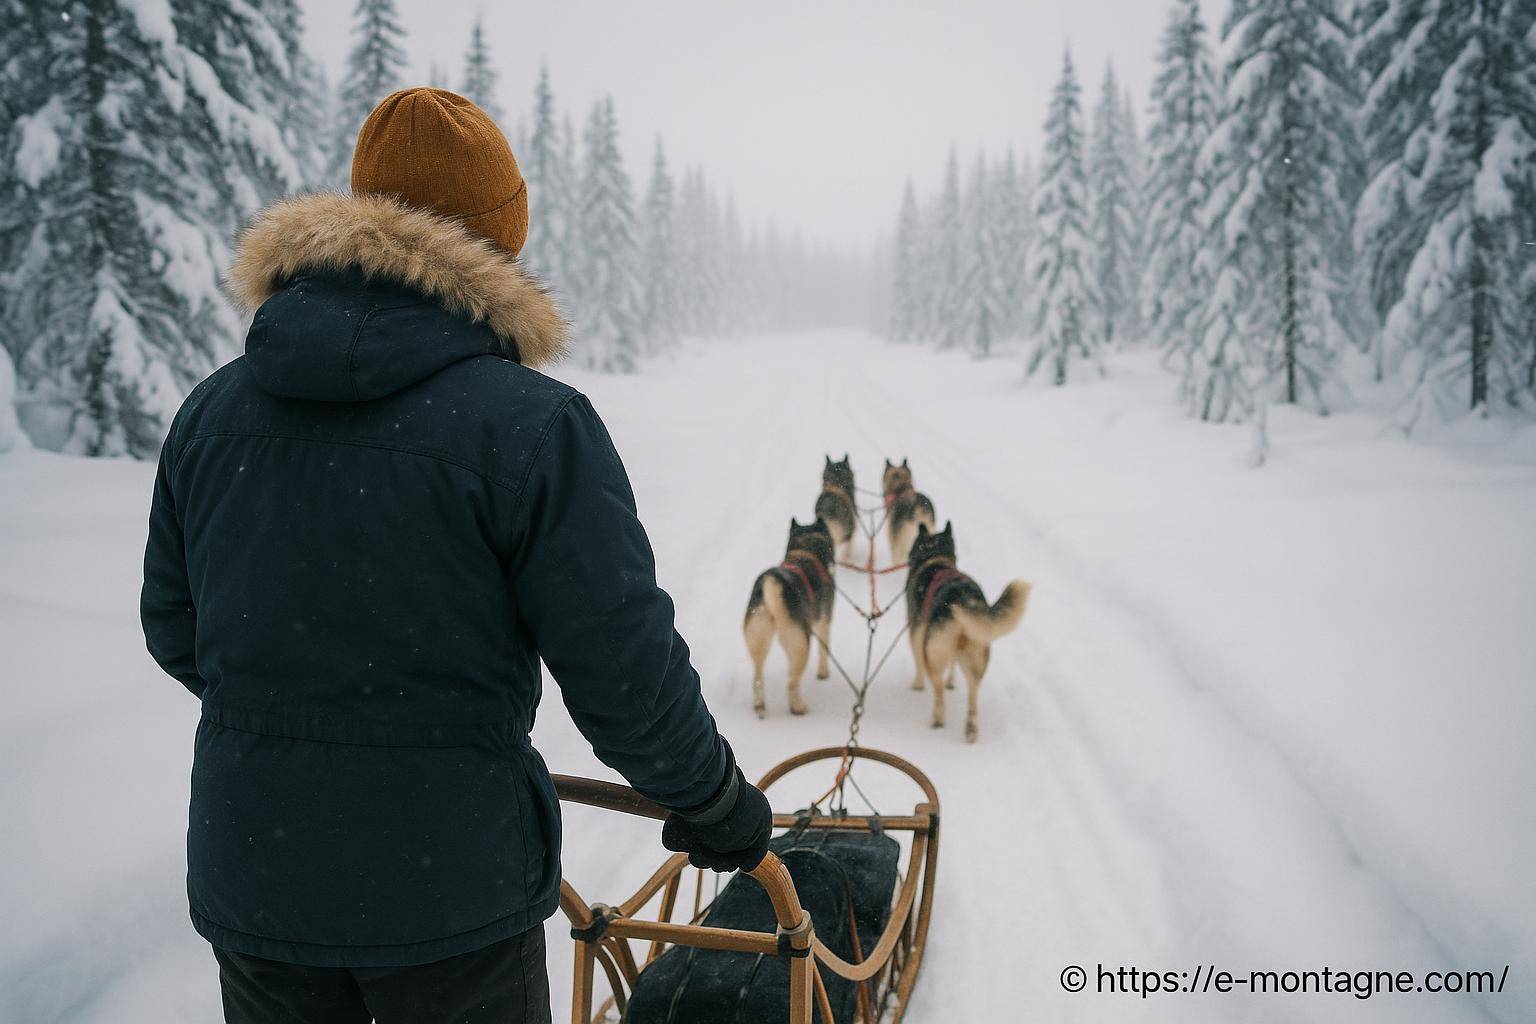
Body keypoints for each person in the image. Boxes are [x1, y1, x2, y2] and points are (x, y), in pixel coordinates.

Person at [139, 87, 771, 1024]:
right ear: (497, 237)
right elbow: (620, 668)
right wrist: (711, 797)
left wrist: (308, 718)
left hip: (259, 877)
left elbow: (175, 627)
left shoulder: (215, 411)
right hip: (452, 897)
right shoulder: (529, 428)